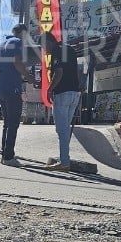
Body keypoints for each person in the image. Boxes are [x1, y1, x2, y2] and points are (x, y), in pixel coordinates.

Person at [42, 32, 82, 171]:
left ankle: (64, 162)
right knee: (65, 129)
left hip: (62, 93)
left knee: (62, 130)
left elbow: (58, 72)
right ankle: (64, 157)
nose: (44, 49)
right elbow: (76, 70)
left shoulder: (56, 51)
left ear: (48, 42)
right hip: (75, 93)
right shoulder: (70, 49)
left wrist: (49, 89)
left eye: (43, 46)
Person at [0, 24, 30, 165]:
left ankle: (4, 154)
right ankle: (8, 157)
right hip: (13, 89)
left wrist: (5, 75)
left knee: (7, 124)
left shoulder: (0, 45)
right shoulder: (18, 42)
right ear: (23, 33)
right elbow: (17, 62)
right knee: (13, 123)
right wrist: (28, 76)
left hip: (1, 89)